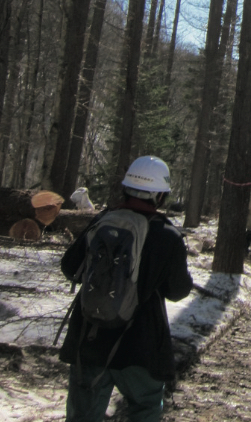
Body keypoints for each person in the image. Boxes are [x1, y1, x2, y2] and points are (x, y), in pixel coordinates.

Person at [59, 155, 193, 422]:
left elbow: (69, 266)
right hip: (140, 348)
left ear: (126, 187)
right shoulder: (168, 236)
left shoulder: (103, 221)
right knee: (145, 409)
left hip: (90, 339)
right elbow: (178, 291)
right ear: (160, 196)